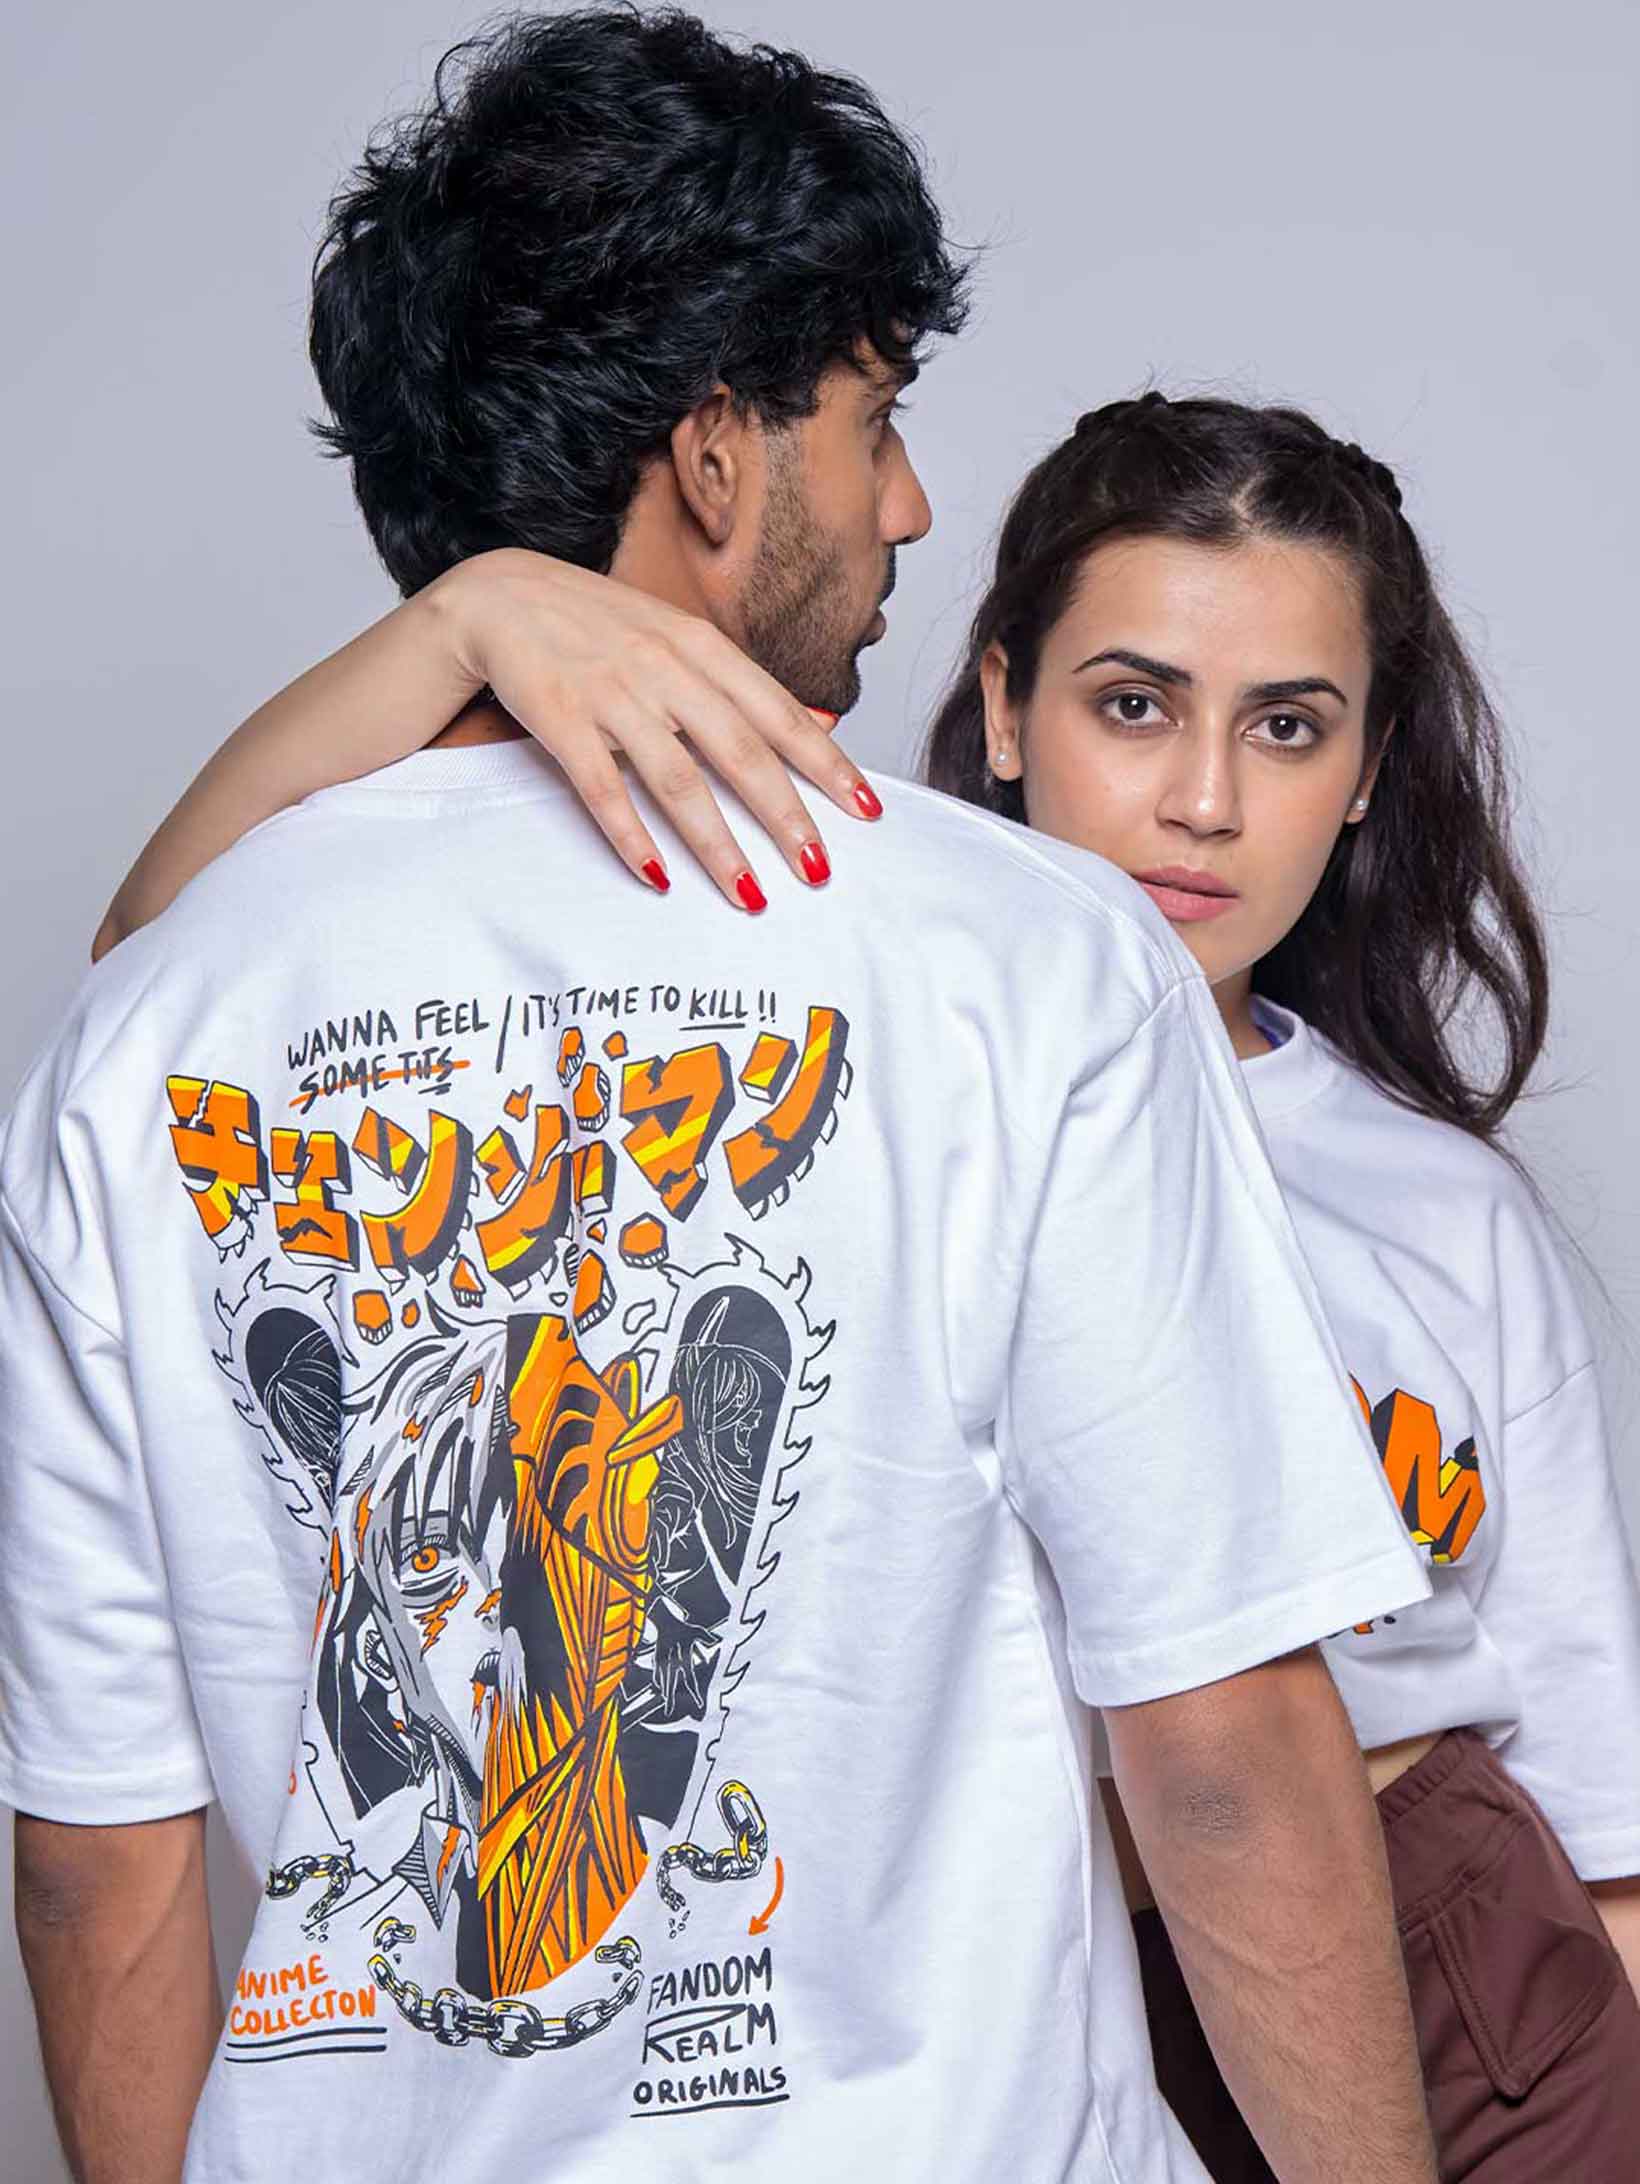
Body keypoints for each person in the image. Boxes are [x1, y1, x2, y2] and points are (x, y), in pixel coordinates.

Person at [0, 15, 1441, 2184]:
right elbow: (1219, 1740)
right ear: (711, 463)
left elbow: (93, 1864)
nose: (907, 503)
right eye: (873, 420)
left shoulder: (140, 1036)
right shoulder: (1026, 959)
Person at [124, 378, 1640, 2178]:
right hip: (1018, 1984)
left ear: (1369, 769)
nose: (1205, 801)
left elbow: (1595, 1790)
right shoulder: (848, 1061)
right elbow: (165, 959)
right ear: (1001, 706)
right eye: (1133, 705)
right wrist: (470, 618)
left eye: (1291, 728)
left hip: (1448, 1955)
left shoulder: (1444, 1210)